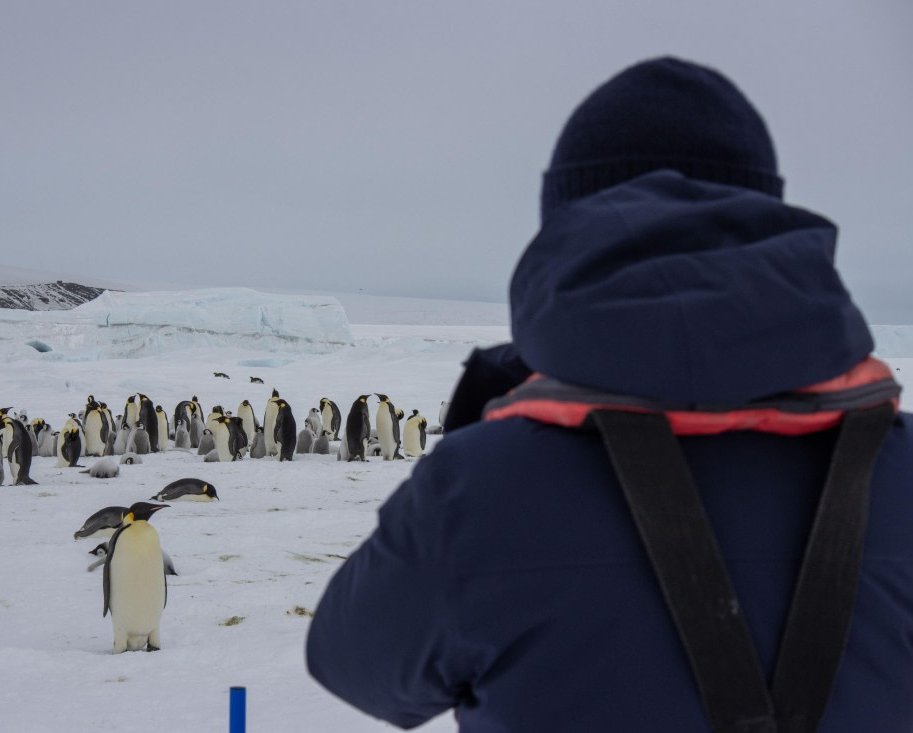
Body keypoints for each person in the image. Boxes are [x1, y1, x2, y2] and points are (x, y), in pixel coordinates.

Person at [306, 57, 913, 732]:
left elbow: (356, 667)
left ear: (566, 225)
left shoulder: (478, 488)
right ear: (765, 217)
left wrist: (484, 450)